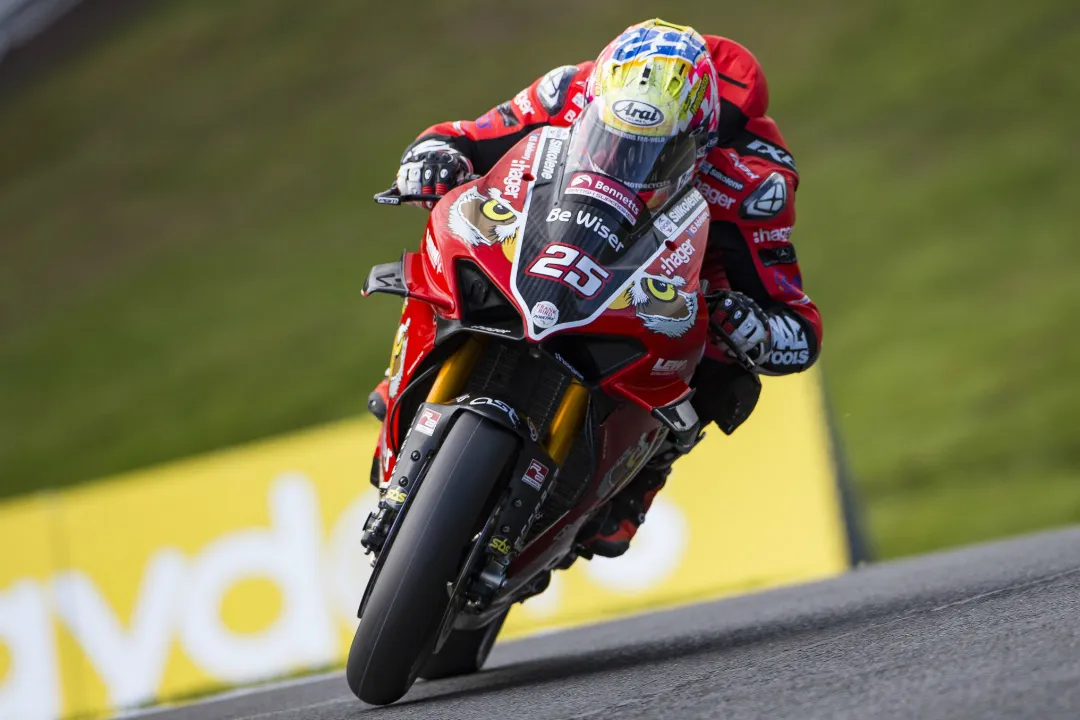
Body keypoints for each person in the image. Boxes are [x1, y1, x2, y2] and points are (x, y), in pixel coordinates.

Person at [381, 19, 822, 558]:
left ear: (700, 143)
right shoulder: (568, 89)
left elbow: (797, 324)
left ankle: (641, 478)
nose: (626, 160)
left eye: (654, 153)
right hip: (554, 232)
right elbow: (463, 137)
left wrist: (750, 328)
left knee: (723, 356)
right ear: (592, 106)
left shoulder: (753, 181)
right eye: (610, 137)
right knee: (453, 236)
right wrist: (432, 159)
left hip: (665, 280)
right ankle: (408, 368)